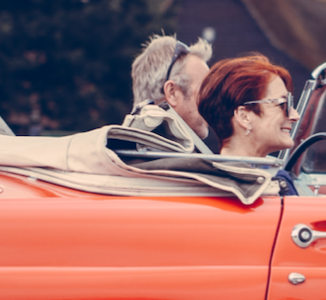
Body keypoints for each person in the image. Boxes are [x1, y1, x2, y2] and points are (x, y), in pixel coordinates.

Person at [197, 53, 301, 194]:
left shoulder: (204, 186)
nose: (295, 115)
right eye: (282, 104)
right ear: (244, 116)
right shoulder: (274, 182)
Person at [125, 35, 219, 154]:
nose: (213, 100)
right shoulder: (179, 168)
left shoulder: (118, 155)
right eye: (205, 90)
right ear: (172, 93)